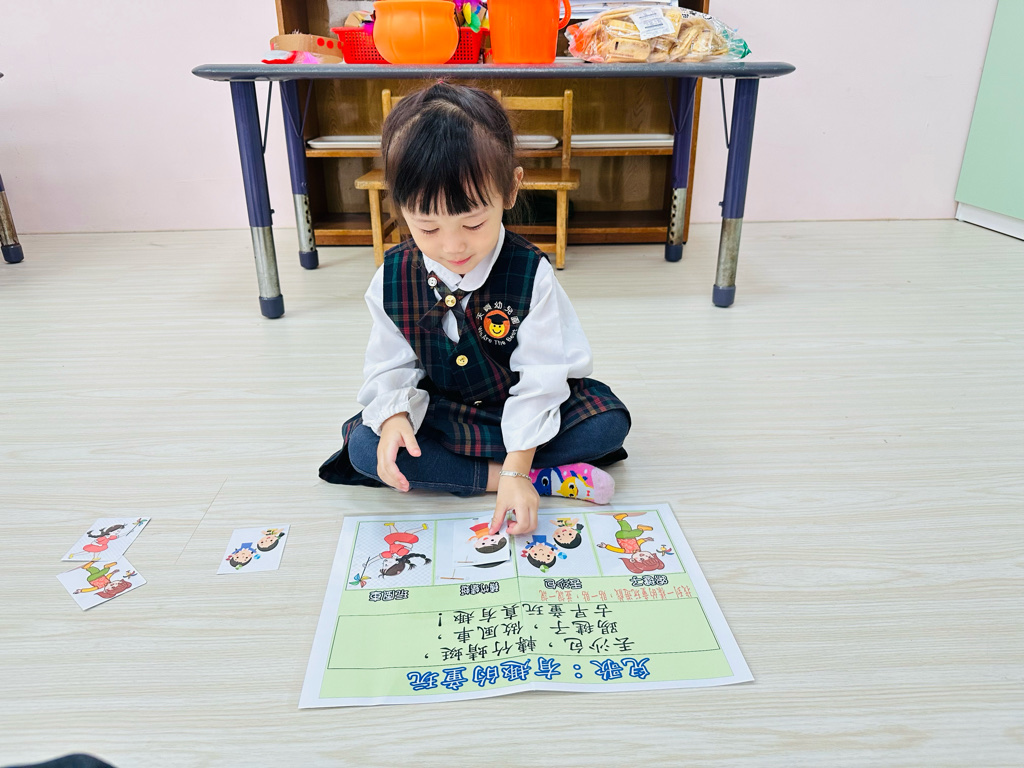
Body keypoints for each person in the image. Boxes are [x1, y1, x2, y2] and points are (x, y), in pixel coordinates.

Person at [319, 82, 630, 537]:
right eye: (428, 228)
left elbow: (543, 378)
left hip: (520, 406)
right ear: (400, 205)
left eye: (474, 223)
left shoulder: (532, 274)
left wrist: (518, 461)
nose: (453, 247)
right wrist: (395, 417)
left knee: (607, 425)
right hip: (445, 411)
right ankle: (528, 479)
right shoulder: (391, 277)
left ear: (511, 188)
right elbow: (390, 365)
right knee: (367, 447)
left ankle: (510, 472)